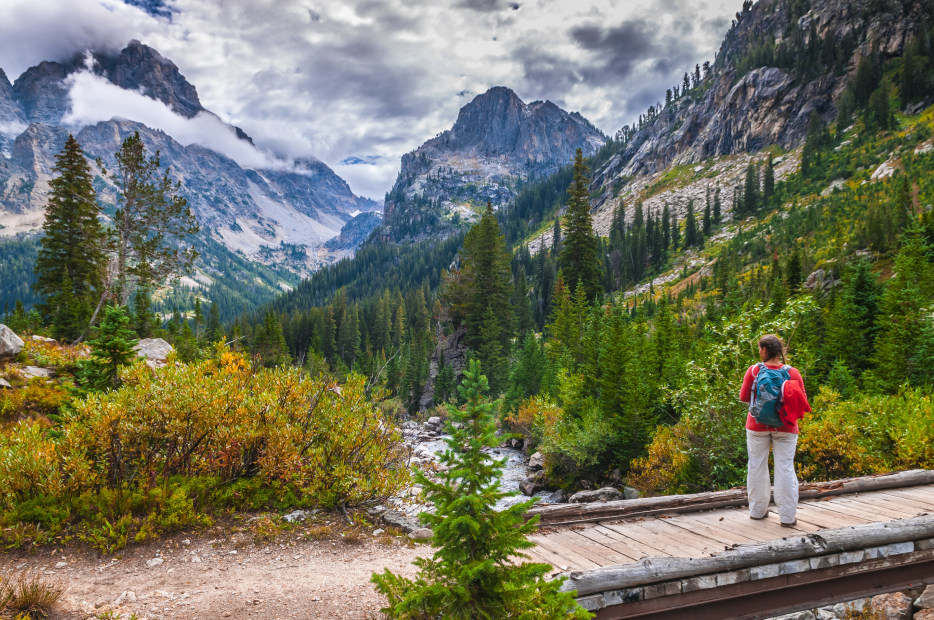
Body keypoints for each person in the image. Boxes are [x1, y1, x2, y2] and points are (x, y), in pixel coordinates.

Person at [739, 334, 809, 527]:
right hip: (786, 426)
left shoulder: (754, 371)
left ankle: (757, 512)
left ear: (764, 350)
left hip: (757, 426)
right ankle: (787, 517)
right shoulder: (792, 372)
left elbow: (744, 397)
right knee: (785, 468)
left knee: (756, 466)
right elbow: (802, 400)